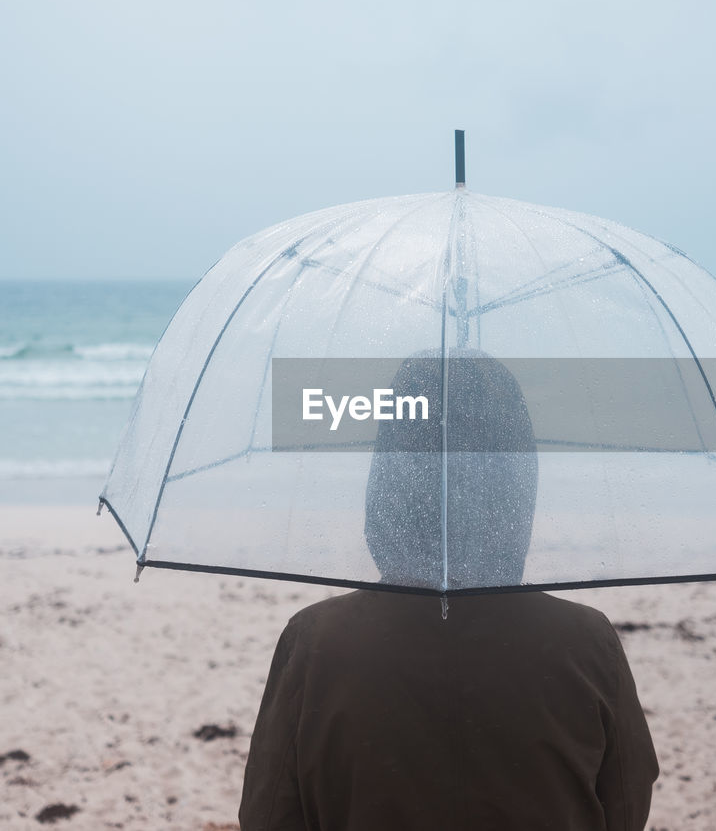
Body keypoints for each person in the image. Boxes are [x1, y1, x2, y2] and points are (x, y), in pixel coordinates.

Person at [239, 353, 658, 830]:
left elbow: (270, 815)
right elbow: (625, 804)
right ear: (516, 476)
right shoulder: (586, 642)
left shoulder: (315, 642)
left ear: (391, 472)